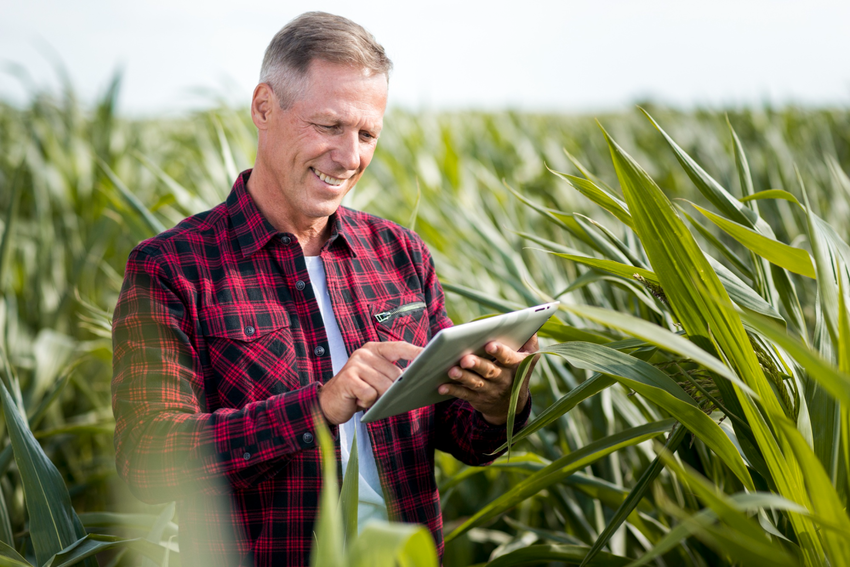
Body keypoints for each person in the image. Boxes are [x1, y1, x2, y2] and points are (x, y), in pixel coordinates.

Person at [112, 11, 536, 567]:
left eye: (367, 134)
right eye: (329, 126)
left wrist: (500, 402)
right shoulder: (173, 268)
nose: (350, 157)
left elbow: (462, 436)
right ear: (264, 107)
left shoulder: (400, 254)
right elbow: (148, 458)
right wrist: (319, 406)